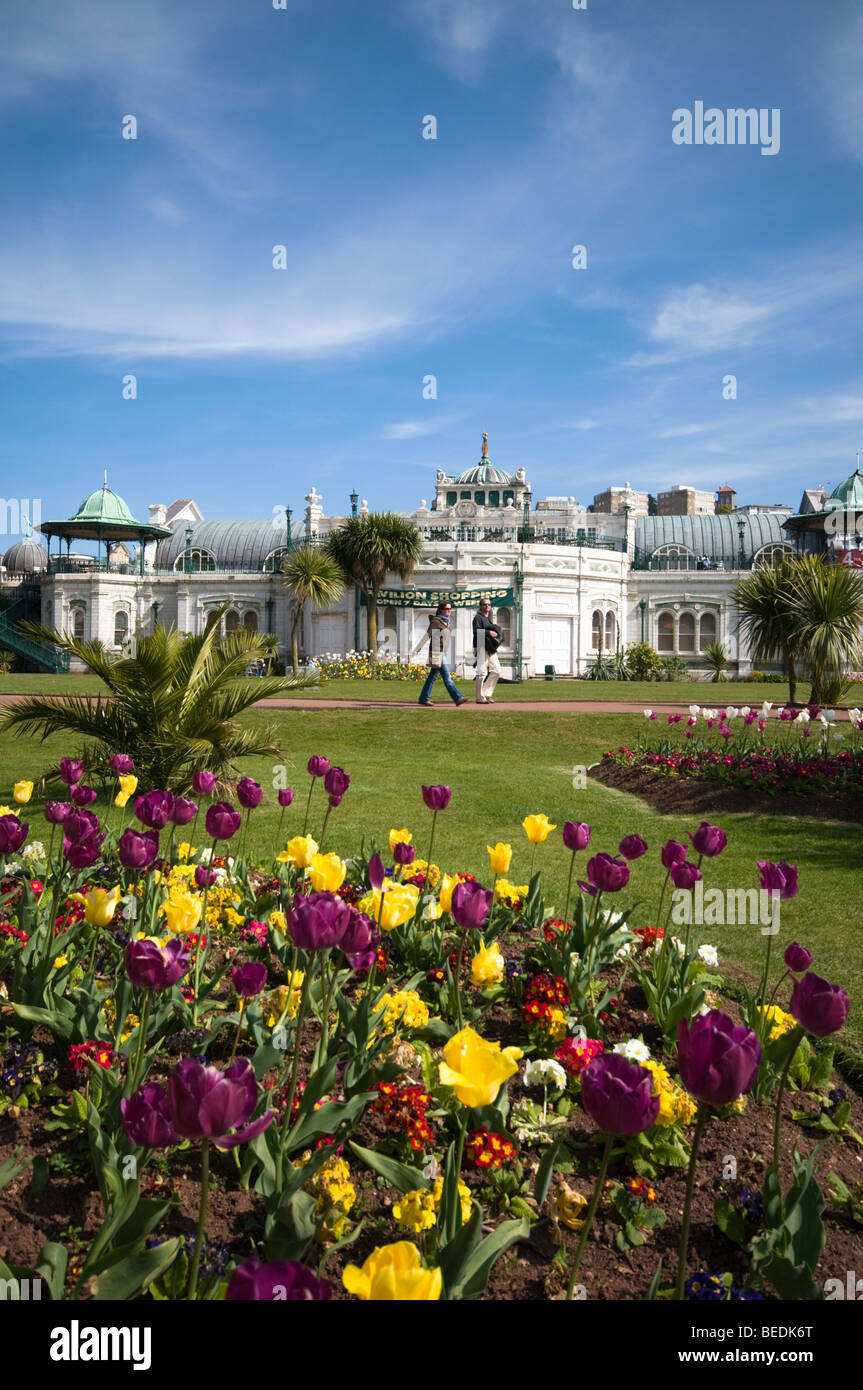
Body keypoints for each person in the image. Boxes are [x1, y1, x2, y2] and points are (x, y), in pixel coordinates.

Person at [410, 601, 468, 707]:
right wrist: (417, 649)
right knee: (447, 676)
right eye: (447, 609)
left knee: (432, 677)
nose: (449, 611)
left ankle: (423, 698)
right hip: (436, 653)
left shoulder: (446, 621)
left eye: (450, 609)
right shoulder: (436, 621)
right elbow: (427, 635)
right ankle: (458, 697)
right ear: (441, 610)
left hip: (442, 653)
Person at [472, 597, 503, 704]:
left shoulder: (487, 619)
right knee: (481, 672)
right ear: (480, 606)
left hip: (489, 647)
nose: (487, 606)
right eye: (484, 604)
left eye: (489, 604)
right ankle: (479, 698)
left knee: (497, 670)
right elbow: (476, 632)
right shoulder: (478, 618)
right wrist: (489, 632)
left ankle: (486, 694)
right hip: (481, 645)